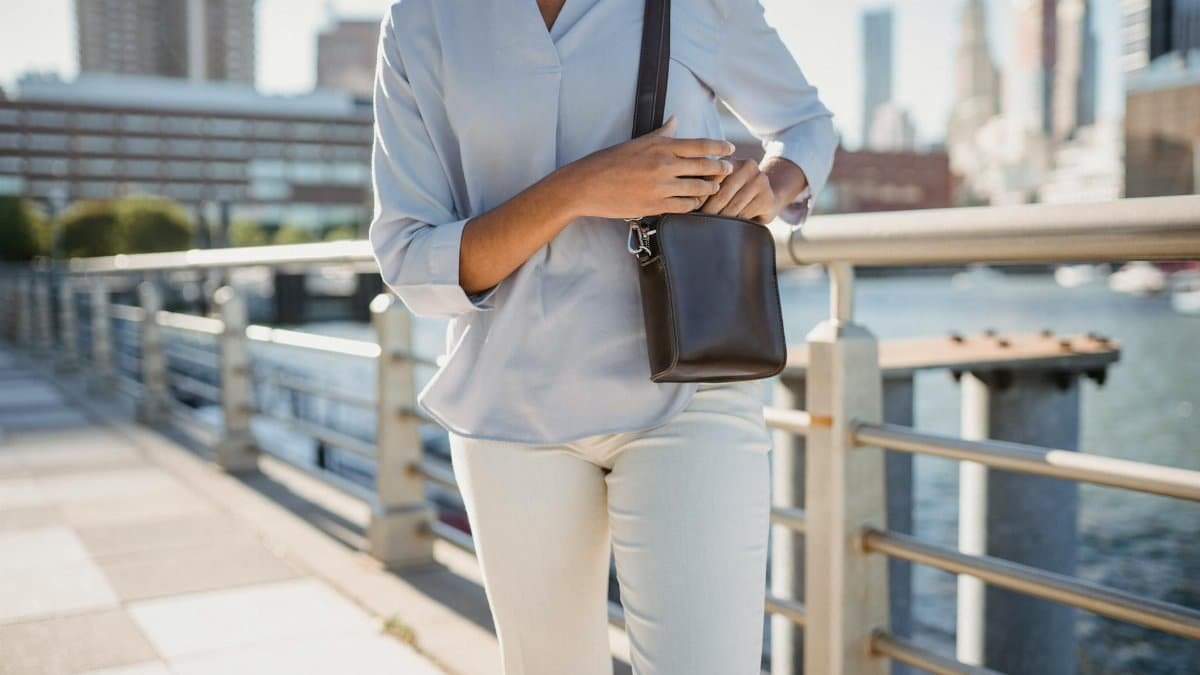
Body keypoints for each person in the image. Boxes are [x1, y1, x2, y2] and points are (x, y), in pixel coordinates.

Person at [367, 0, 837, 673]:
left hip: (688, 387)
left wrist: (768, 186)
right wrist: (577, 189)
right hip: (510, 411)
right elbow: (412, 258)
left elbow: (806, 125)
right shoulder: (425, 20)